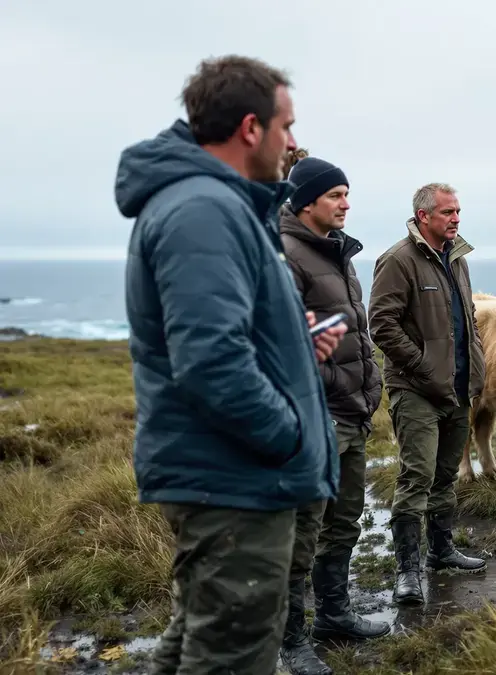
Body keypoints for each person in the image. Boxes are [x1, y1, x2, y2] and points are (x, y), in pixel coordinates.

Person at [115, 55, 346, 675]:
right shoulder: (202, 212)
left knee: (198, 643)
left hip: (235, 474)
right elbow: (210, 360)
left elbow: (225, 332)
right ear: (251, 128)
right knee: (231, 656)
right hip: (234, 479)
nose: (293, 143)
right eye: (287, 126)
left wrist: (291, 340)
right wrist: (288, 435)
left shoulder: (222, 206)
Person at [275, 151, 390, 674]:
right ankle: (292, 639)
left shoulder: (340, 255)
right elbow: (286, 346)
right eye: (335, 195)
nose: (347, 203)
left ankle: (334, 615)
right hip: (313, 418)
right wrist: (340, 386)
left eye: (346, 194)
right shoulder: (284, 255)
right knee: (302, 532)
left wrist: (370, 386)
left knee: (343, 523)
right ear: (305, 203)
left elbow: (356, 334)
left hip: (352, 412)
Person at [368, 183, 487, 605]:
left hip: (457, 387)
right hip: (416, 389)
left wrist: (476, 364)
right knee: (415, 476)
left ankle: (441, 551)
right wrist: (421, 366)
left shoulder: (457, 259)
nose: (456, 218)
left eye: (458, 211)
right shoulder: (399, 260)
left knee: (444, 474)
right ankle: (405, 571)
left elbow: (466, 318)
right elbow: (381, 324)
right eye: (448, 213)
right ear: (424, 216)